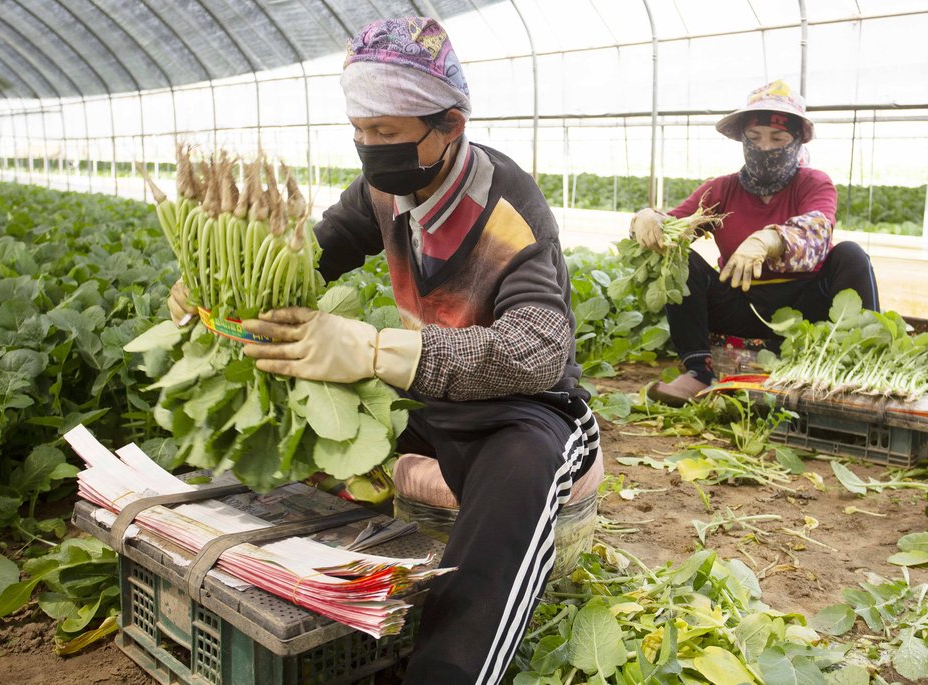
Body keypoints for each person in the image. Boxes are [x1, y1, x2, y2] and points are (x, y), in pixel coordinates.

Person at [170, 16, 600, 684]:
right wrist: (217, 283)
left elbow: (538, 349)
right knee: (310, 406)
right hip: (424, 397)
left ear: (450, 124)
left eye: (387, 134)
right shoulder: (383, 191)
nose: (370, 148)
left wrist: (373, 348)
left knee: (523, 470)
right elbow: (317, 251)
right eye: (361, 131)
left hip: (521, 409)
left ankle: (448, 669)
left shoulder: (508, 209)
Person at [631, 80, 880, 406]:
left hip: (805, 311)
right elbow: (671, 228)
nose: (765, 147)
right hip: (740, 301)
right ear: (742, 139)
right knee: (682, 260)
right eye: (755, 137)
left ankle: (864, 363)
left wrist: (770, 239)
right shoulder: (721, 189)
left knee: (851, 255)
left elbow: (818, 231)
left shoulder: (813, 183)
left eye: (778, 138)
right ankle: (698, 372)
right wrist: (646, 219)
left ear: (797, 140)